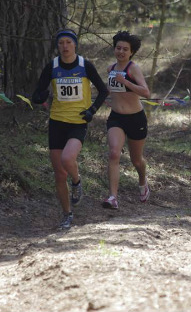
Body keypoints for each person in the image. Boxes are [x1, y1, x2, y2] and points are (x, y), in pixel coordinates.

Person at [32, 29, 109, 230]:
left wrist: (92, 110)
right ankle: (67, 215)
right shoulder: (52, 67)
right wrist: (39, 97)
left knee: (67, 159)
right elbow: (38, 92)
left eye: (68, 42)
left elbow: (103, 90)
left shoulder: (85, 65)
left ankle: (77, 182)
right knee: (59, 174)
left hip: (77, 122)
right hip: (57, 122)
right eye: (61, 43)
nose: (65, 46)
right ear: (58, 46)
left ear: (75, 45)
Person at [102, 30, 151, 210]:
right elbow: (111, 90)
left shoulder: (133, 68)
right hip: (116, 118)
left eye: (125, 49)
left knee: (136, 160)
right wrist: (109, 98)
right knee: (114, 153)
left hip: (135, 118)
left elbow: (146, 92)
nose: (121, 52)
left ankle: (142, 181)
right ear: (114, 49)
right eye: (118, 48)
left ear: (131, 52)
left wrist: (126, 82)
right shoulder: (110, 69)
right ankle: (113, 197)